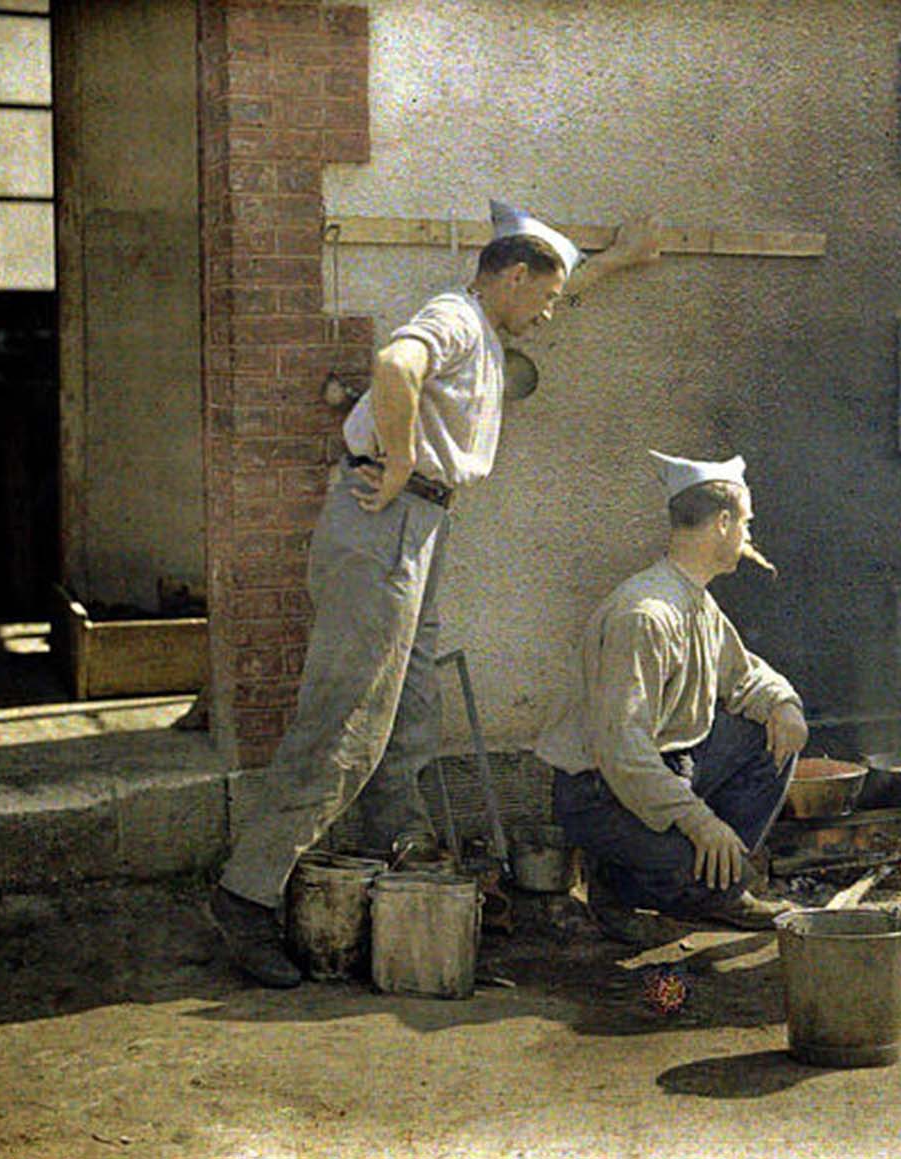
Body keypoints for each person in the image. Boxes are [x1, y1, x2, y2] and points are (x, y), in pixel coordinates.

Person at [209, 201, 661, 987]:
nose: (553, 312)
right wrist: (401, 456)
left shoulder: (489, 323)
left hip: (418, 527)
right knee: (348, 716)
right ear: (513, 277)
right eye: (546, 296)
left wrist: (622, 259)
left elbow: (564, 281)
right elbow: (394, 366)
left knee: (408, 715)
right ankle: (245, 895)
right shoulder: (455, 316)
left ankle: (399, 874)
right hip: (388, 518)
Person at [535, 450, 808, 943]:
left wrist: (784, 704)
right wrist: (701, 823)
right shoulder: (645, 614)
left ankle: (706, 884)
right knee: (695, 867)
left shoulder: (695, 600)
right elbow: (622, 753)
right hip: (600, 795)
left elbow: (744, 676)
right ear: (723, 522)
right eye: (745, 523)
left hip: (665, 773)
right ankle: (624, 884)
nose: (748, 536)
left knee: (769, 736)